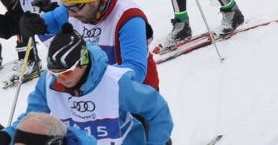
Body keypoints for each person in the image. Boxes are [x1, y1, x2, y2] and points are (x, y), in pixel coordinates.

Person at [6, 24, 172, 144]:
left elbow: (158, 112)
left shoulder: (117, 82)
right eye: (55, 73)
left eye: (67, 71)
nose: (61, 78)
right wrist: (8, 135)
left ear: (83, 61)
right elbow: (34, 119)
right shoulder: (49, 82)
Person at [21, 0, 159, 88]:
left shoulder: (128, 18)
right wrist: (36, 24)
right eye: (66, 6)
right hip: (94, 96)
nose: (70, 14)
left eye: (75, 8)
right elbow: (52, 21)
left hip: (134, 99)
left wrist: (89, 77)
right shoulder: (74, 8)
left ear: (94, 0)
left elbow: (135, 71)